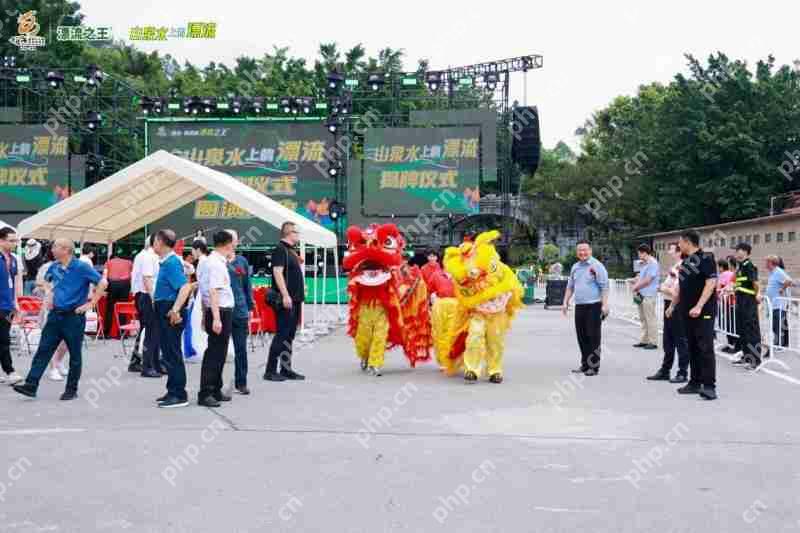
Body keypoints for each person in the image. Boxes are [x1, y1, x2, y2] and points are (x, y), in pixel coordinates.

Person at [13, 238, 107, 400]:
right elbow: (43, 282)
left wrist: (91, 303)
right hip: (55, 315)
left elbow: (103, 282)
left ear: (66, 250)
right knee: (43, 350)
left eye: (55, 247)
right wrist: (49, 293)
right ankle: (31, 385)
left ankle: (71, 389)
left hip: (73, 316)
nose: (52, 250)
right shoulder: (54, 266)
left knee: (75, 354)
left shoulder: (81, 267)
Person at [665, 230, 718, 400]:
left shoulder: (706, 258)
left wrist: (699, 306)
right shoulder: (686, 262)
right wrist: (673, 305)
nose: (678, 245)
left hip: (703, 311)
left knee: (705, 347)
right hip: (686, 311)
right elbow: (681, 287)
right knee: (692, 346)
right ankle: (695, 382)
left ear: (688, 242)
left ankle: (709, 386)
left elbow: (711, 283)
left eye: (680, 242)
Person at [196, 231, 236, 407]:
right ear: (227, 244)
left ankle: (215, 389)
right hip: (219, 310)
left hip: (218, 310)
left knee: (220, 352)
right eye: (233, 243)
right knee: (214, 353)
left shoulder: (216, 261)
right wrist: (216, 318)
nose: (235, 246)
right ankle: (206, 392)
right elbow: (213, 291)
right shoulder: (215, 264)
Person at [153, 230, 189, 409]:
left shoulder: (172, 263)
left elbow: (185, 287)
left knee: (172, 353)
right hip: (164, 308)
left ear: (160, 242)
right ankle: (172, 389)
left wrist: (175, 310)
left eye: (154, 241)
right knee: (168, 352)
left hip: (169, 310)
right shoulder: (167, 262)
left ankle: (178, 394)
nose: (153, 244)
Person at [265, 222, 305, 382]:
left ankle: (285, 368)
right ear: (289, 233)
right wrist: (286, 295)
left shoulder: (289, 250)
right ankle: (270, 370)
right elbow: (277, 272)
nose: (299, 235)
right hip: (287, 300)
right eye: (297, 232)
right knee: (282, 334)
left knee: (289, 336)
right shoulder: (280, 249)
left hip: (295, 299)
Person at [561, 240, 609, 376]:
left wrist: (605, 305)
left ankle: (593, 366)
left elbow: (604, 287)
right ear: (577, 252)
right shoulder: (575, 267)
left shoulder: (597, 266)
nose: (582, 252)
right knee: (581, 336)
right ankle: (585, 364)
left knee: (593, 336)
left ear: (590, 251)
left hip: (594, 305)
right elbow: (570, 286)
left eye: (585, 250)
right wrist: (565, 302)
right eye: (580, 250)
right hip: (580, 306)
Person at [648, 242, 689, 383]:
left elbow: (675, 290)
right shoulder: (675, 266)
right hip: (669, 303)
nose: (669, 251)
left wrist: (664, 289)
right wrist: (665, 288)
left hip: (676, 305)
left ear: (679, 251)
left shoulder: (683, 267)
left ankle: (682, 372)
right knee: (668, 339)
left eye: (671, 249)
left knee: (680, 339)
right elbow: (666, 286)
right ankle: (665, 369)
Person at [226, 230, 254, 395]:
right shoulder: (218, 261)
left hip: (240, 309)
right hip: (223, 310)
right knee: (219, 349)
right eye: (230, 240)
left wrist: (249, 307)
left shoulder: (242, 261)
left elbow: (247, 286)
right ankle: (215, 384)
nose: (233, 243)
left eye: (234, 240)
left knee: (241, 348)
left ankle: (241, 382)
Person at [130, 234, 161, 378]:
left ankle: (141, 362)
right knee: (150, 331)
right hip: (146, 295)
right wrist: (154, 299)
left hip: (141, 294)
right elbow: (147, 279)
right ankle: (147, 365)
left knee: (147, 330)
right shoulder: (149, 257)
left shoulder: (142, 256)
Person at [731, 243, 762, 369]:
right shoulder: (740, 266)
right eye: (736, 250)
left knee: (751, 331)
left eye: (739, 250)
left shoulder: (749, 265)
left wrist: (758, 294)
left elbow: (755, 282)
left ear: (745, 252)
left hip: (748, 302)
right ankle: (746, 356)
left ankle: (755, 360)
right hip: (740, 301)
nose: (737, 253)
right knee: (742, 331)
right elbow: (738, 282)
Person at [0, 227, 23, 385]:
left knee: (3, 337)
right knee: (4, 339)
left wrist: (16, 303)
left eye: (16, 240)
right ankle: (10, 371)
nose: (15, 243)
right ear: (1, 241)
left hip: (8, 306)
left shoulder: (13, 259)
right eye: (12, 240)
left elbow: (13, 283)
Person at [629, 244, 660, 350]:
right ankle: (644, 340)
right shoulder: (644, 263)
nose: (639, 256)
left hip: (649, 294)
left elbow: (648, 280)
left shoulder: (653, 263)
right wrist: (634, 280)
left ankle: (653, 341)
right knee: (643, 318)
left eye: (639, 253)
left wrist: (635, 287)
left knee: (650, 318)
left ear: (644, 253)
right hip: (641, 294)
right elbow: (641, 277)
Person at [763, 255, 792, 353]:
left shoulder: (778, 271)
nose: (765, 264)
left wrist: (782, 289)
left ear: (771, 263)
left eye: (766, 262)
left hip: (779, 304)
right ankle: (779, 343)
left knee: (779, 324)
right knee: (775, 325)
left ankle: (780, 345)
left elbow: (789, 281)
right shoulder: (773, 272)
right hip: (773, 304)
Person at [103, 252, 133, 338]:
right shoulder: (129, 262)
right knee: (123, 308)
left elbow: (104, 276)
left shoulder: (108, 262)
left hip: (112, 284)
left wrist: (104, 289)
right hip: (125, 284)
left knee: (109, 309)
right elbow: (132, 275)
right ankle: (122, 334)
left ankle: (106, 333)